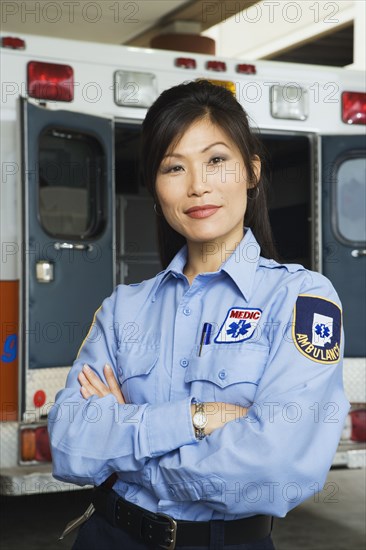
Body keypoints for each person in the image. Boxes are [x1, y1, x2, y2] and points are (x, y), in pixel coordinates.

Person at [48, 80, 350, 550]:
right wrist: (199, 419)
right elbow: (69, 444)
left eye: (216, 160)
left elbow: (274, 468)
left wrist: (126, 440)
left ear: (251, 171)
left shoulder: (301, 299)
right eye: (174, 167)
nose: (198, 185)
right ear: (155, 186)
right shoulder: (123, 308)